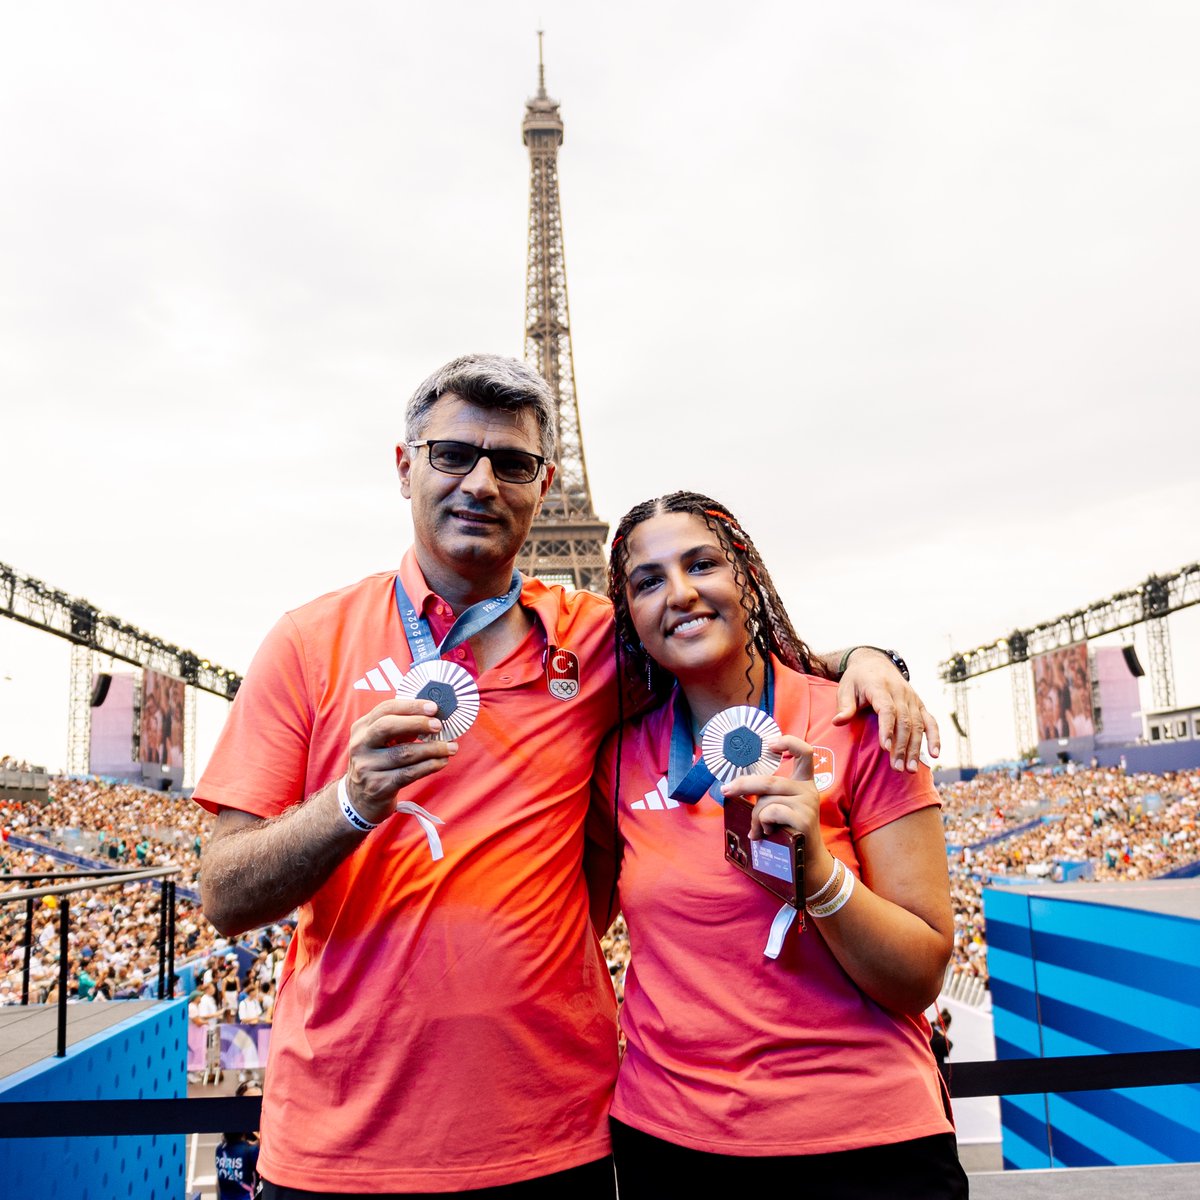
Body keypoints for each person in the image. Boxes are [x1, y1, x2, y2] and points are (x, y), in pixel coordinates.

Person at [195, 355, 937, 1197]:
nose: (480, 482)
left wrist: (862, 658)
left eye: (510, 463)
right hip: (341, 1143)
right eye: (451, 455)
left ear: (544, 485)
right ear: (404, 466)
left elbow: (716, 639)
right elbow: (223, 893)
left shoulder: (595, 643)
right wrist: (349, 804)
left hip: (554, 1142)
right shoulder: (305, 643)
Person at [588, 491, 967, 1198]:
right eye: (647, 581)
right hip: (673, 1146)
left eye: (703, 564)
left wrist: (820, 876)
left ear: (747, 579)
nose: (681, 593)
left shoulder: (861, 719)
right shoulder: (616, 759)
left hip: (867, 1144)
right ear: (629, 617)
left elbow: (919, 977)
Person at [215, 1080, 263, 1199]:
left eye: (259, 1100)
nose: (255, 1107)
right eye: (249, 1102)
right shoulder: (235, 1135)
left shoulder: (268, 1127)